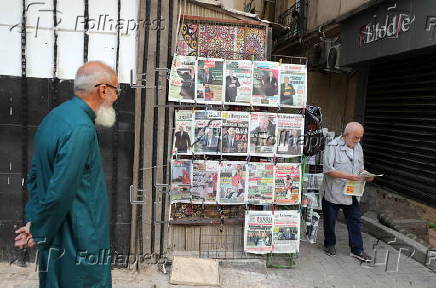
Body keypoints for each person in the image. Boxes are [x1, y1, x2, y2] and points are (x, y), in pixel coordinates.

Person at [14, 61, 118, 287]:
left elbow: (35, 176)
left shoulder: (55, 117)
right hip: (79, 238)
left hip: (56, 233)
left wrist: (35, 222)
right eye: (116, 90)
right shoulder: (81, 128)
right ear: (103, 90)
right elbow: (61, 190)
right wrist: (39, 229)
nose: (116, 98)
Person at [320, 122, 374, 262]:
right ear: (346, 135)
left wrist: (366, 175)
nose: (358, 140)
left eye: (360, 137)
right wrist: (349, 176)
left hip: (352, 192)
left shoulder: (358, 147)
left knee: (355, 220)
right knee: (330, 221)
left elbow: (360, 167)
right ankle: (330, 244)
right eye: (356, 137)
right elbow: (328, 170)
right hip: (334, 191)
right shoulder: (332, 146)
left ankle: (357, 250)